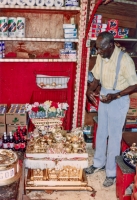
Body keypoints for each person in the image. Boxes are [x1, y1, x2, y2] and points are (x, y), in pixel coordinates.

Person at [84, 31, 137, 187]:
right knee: (101, 132)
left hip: (119, 98)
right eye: (97, 49)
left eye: (101, 49)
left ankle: (111, 172)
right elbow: (97, 78)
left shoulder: (125, 60)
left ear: (111, 45)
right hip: (106, 94)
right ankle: (98, 163)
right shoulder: (102, 56)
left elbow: (134, 84)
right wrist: (90, 90)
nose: (98, 52)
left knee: (114, 137)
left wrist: (116, 96)